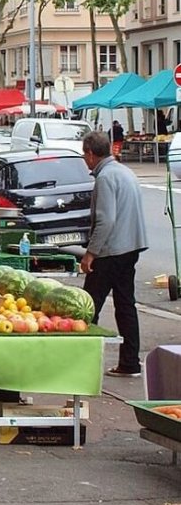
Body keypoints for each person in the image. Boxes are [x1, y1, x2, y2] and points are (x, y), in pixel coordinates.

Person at [81, 131, 147, 377]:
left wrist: (90, 254)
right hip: (130, 247)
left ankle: (82, 362)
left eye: (84, 154)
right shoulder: (124, 171)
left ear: (90, 153)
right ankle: (130, 362)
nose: (84, 159)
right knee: (125, 303)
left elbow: (105, 220)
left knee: (87, 306)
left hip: (111, 251)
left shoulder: (106, 177)